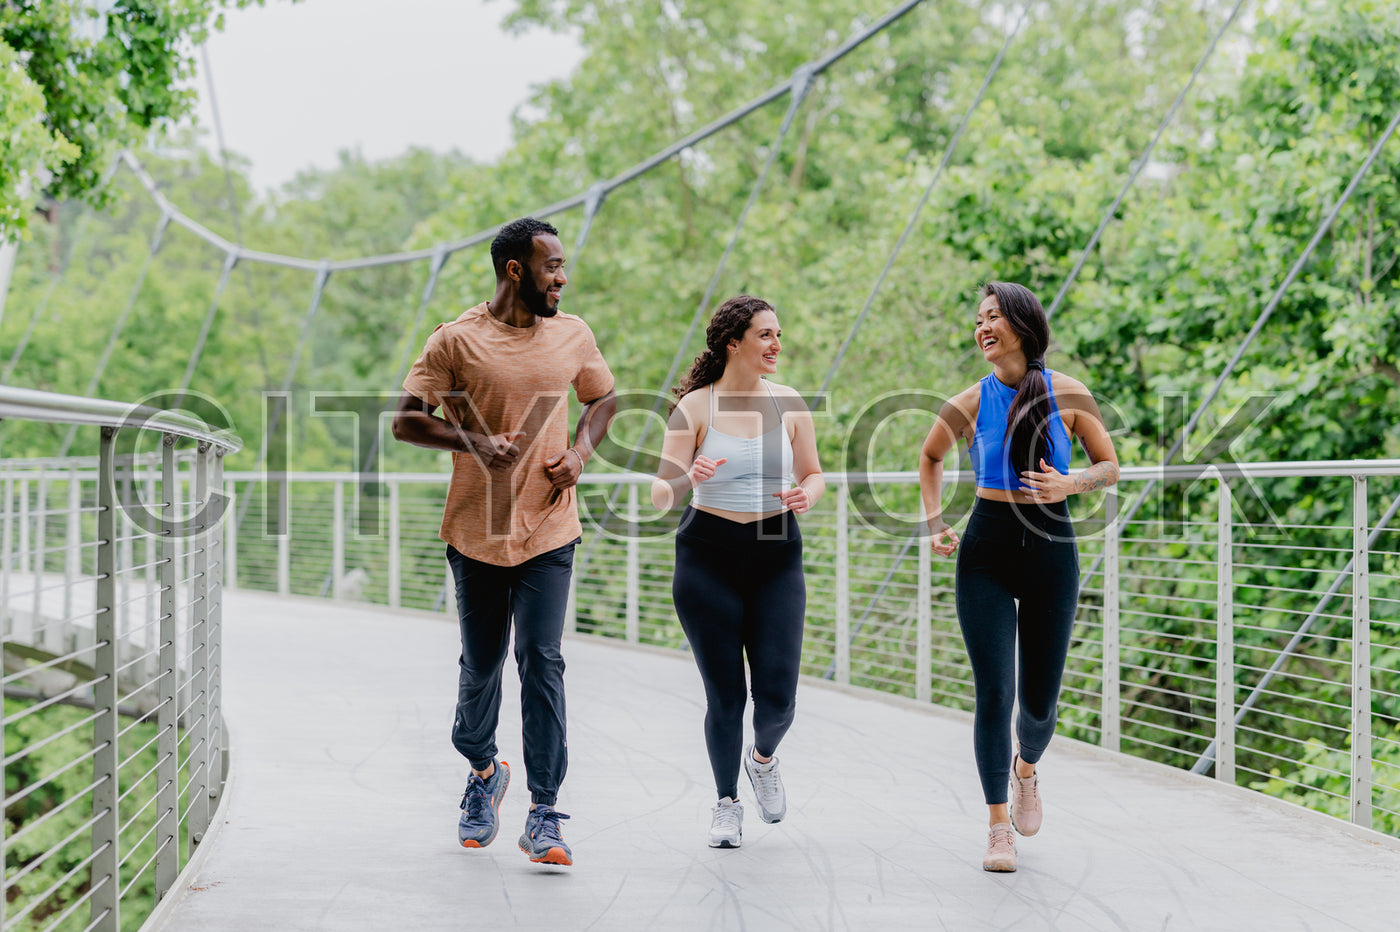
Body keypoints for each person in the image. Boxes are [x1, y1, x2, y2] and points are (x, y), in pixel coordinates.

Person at [392, 216, 616, 867]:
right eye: (552, 266)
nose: (563, 277)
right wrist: (472, 442)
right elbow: (406, 423)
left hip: (550, 529)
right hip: (476, 533)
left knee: (542, 659)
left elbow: (603, 400)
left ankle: (545, 813)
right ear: (516, 269)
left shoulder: (573, 333)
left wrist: (580, 452)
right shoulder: (455, 341)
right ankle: (485, 770)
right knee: (481, 667)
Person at [917, 281, 1119, 872]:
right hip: (986, 547)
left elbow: (1109, 466)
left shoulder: (1069, 393)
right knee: (994, 692)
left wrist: (1069, 483)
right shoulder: (971, 400)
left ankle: (1026, 767)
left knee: (1037, 704)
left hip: (1051, 549)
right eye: (978, 318)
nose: (982, 327)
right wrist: (934, 522)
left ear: (1022, 325)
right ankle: (997, 825)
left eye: (993, 316)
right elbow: (929, 458)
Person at [651, 295, 825, 848]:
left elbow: (815, 473)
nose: (777, 344)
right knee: (726, 696)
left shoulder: (790, 403)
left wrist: (806, 495)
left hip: (776, 551)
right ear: (734, 343)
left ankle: (763, 759)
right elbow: (660, 493)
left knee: (778, 700)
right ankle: (726, 803)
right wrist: (687, 476)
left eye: (779, 334)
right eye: (766, 335)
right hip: (707, 556)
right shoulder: (695, 409)